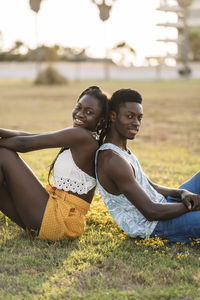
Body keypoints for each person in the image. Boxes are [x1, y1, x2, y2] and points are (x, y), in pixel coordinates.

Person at [0, 86, 109, 241]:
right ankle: (33, 229)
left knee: (3, 155)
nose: (80, 114)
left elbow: (24, 145)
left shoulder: (82, 136)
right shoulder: (84, 137)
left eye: (89, 112)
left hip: (60, 220)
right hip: (57, 216)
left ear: (101, 120)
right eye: (78, 107)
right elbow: (29, 136)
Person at [96, 88, 200, 243]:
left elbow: (152, 187)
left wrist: (182, 193)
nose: (136, 123)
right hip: (155, 225)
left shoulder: (123, 151)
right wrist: (192, 205)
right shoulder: (112, 160)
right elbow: (150, 211)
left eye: (139, 118)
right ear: (113, 116)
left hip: (164, 206)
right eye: (130, 116)